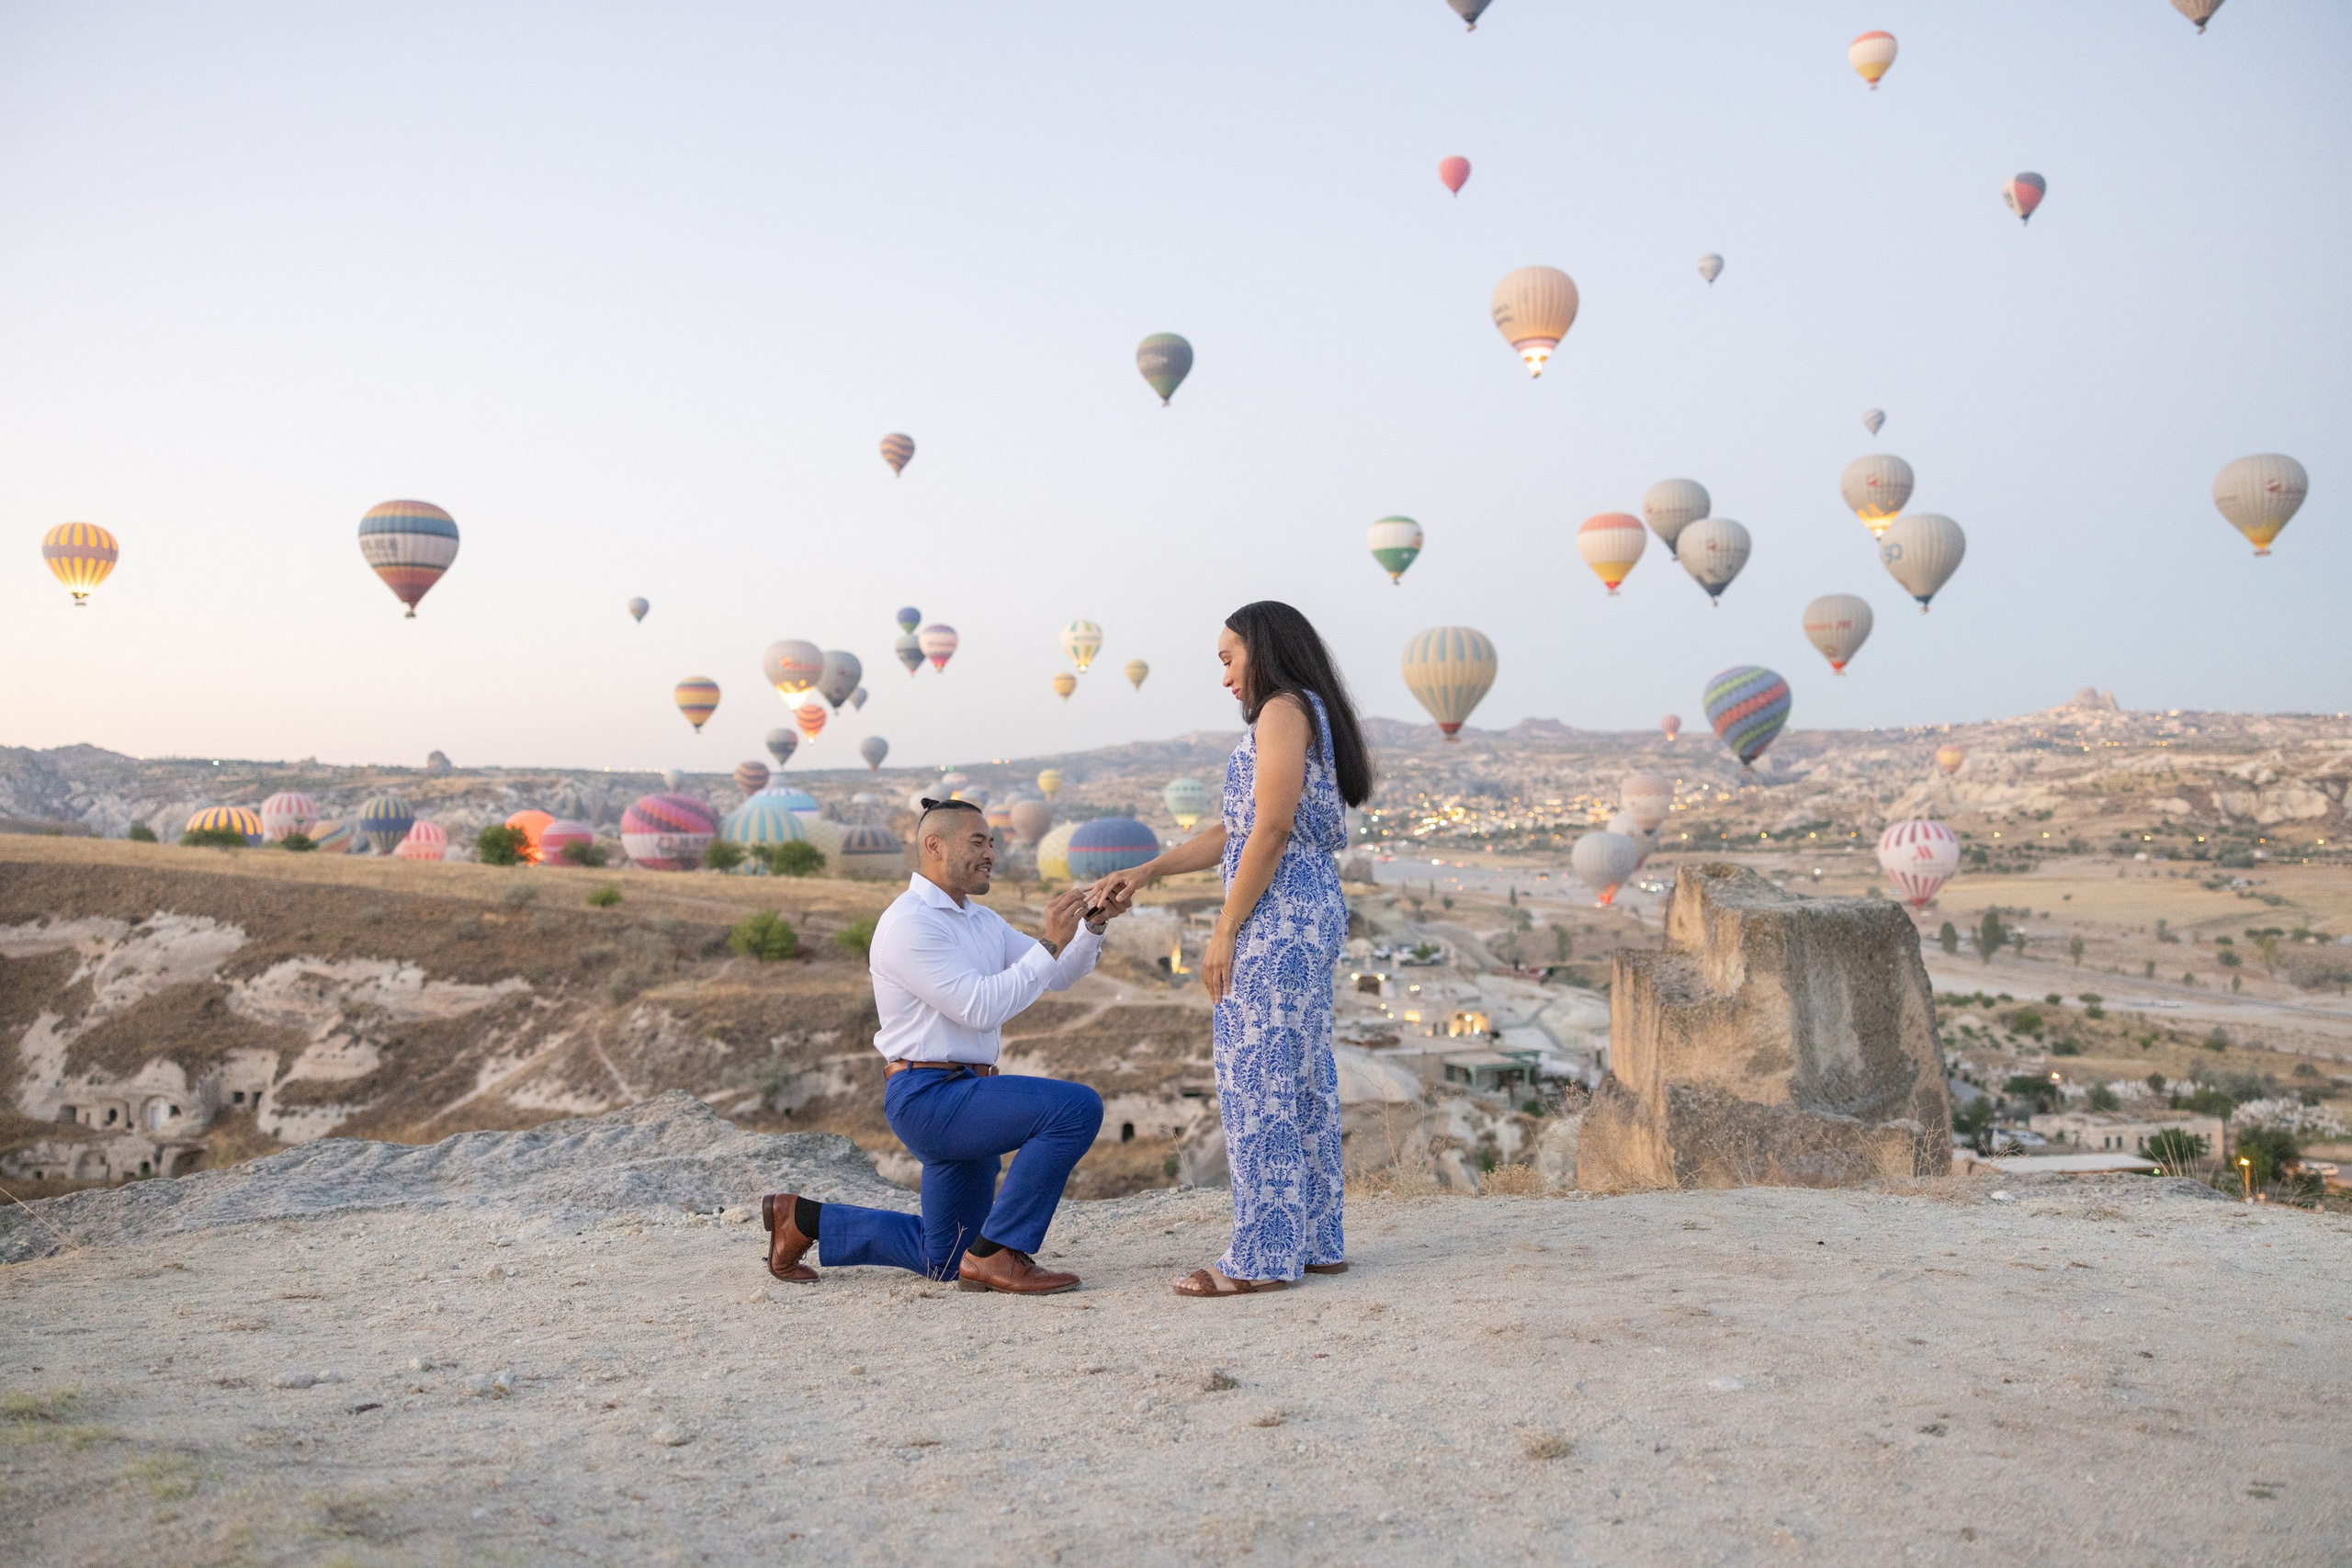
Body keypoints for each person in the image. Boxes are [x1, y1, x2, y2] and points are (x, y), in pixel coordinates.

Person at [1087, 601, 1372, 1297]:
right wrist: (1149, 869)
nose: (1224, 677)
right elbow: (1234, 830)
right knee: (1299, 1074)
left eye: (1227, 657)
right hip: (1305, 904)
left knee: (1257, 1078)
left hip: (1277, 912)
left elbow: (1268, 830)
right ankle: (1314, 1240)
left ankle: (1262, 1256)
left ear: (1263, 649)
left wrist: (1225, 930)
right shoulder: (1306, 711)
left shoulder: (1282, 710)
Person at [761, 798, 1131, 1294]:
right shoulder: (909, 923)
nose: (991, 854)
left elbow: (1059, 974)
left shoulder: (980, 920)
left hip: (968, 1097)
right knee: (1075, 1107)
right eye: (977, 841)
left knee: (948, 1259)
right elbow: (980, 1008)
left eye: (992, 843)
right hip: (928, 1097)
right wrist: (1047, 944)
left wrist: (1092, 926)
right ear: (933, 845)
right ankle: (1002, 1252)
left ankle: (803, 1220)